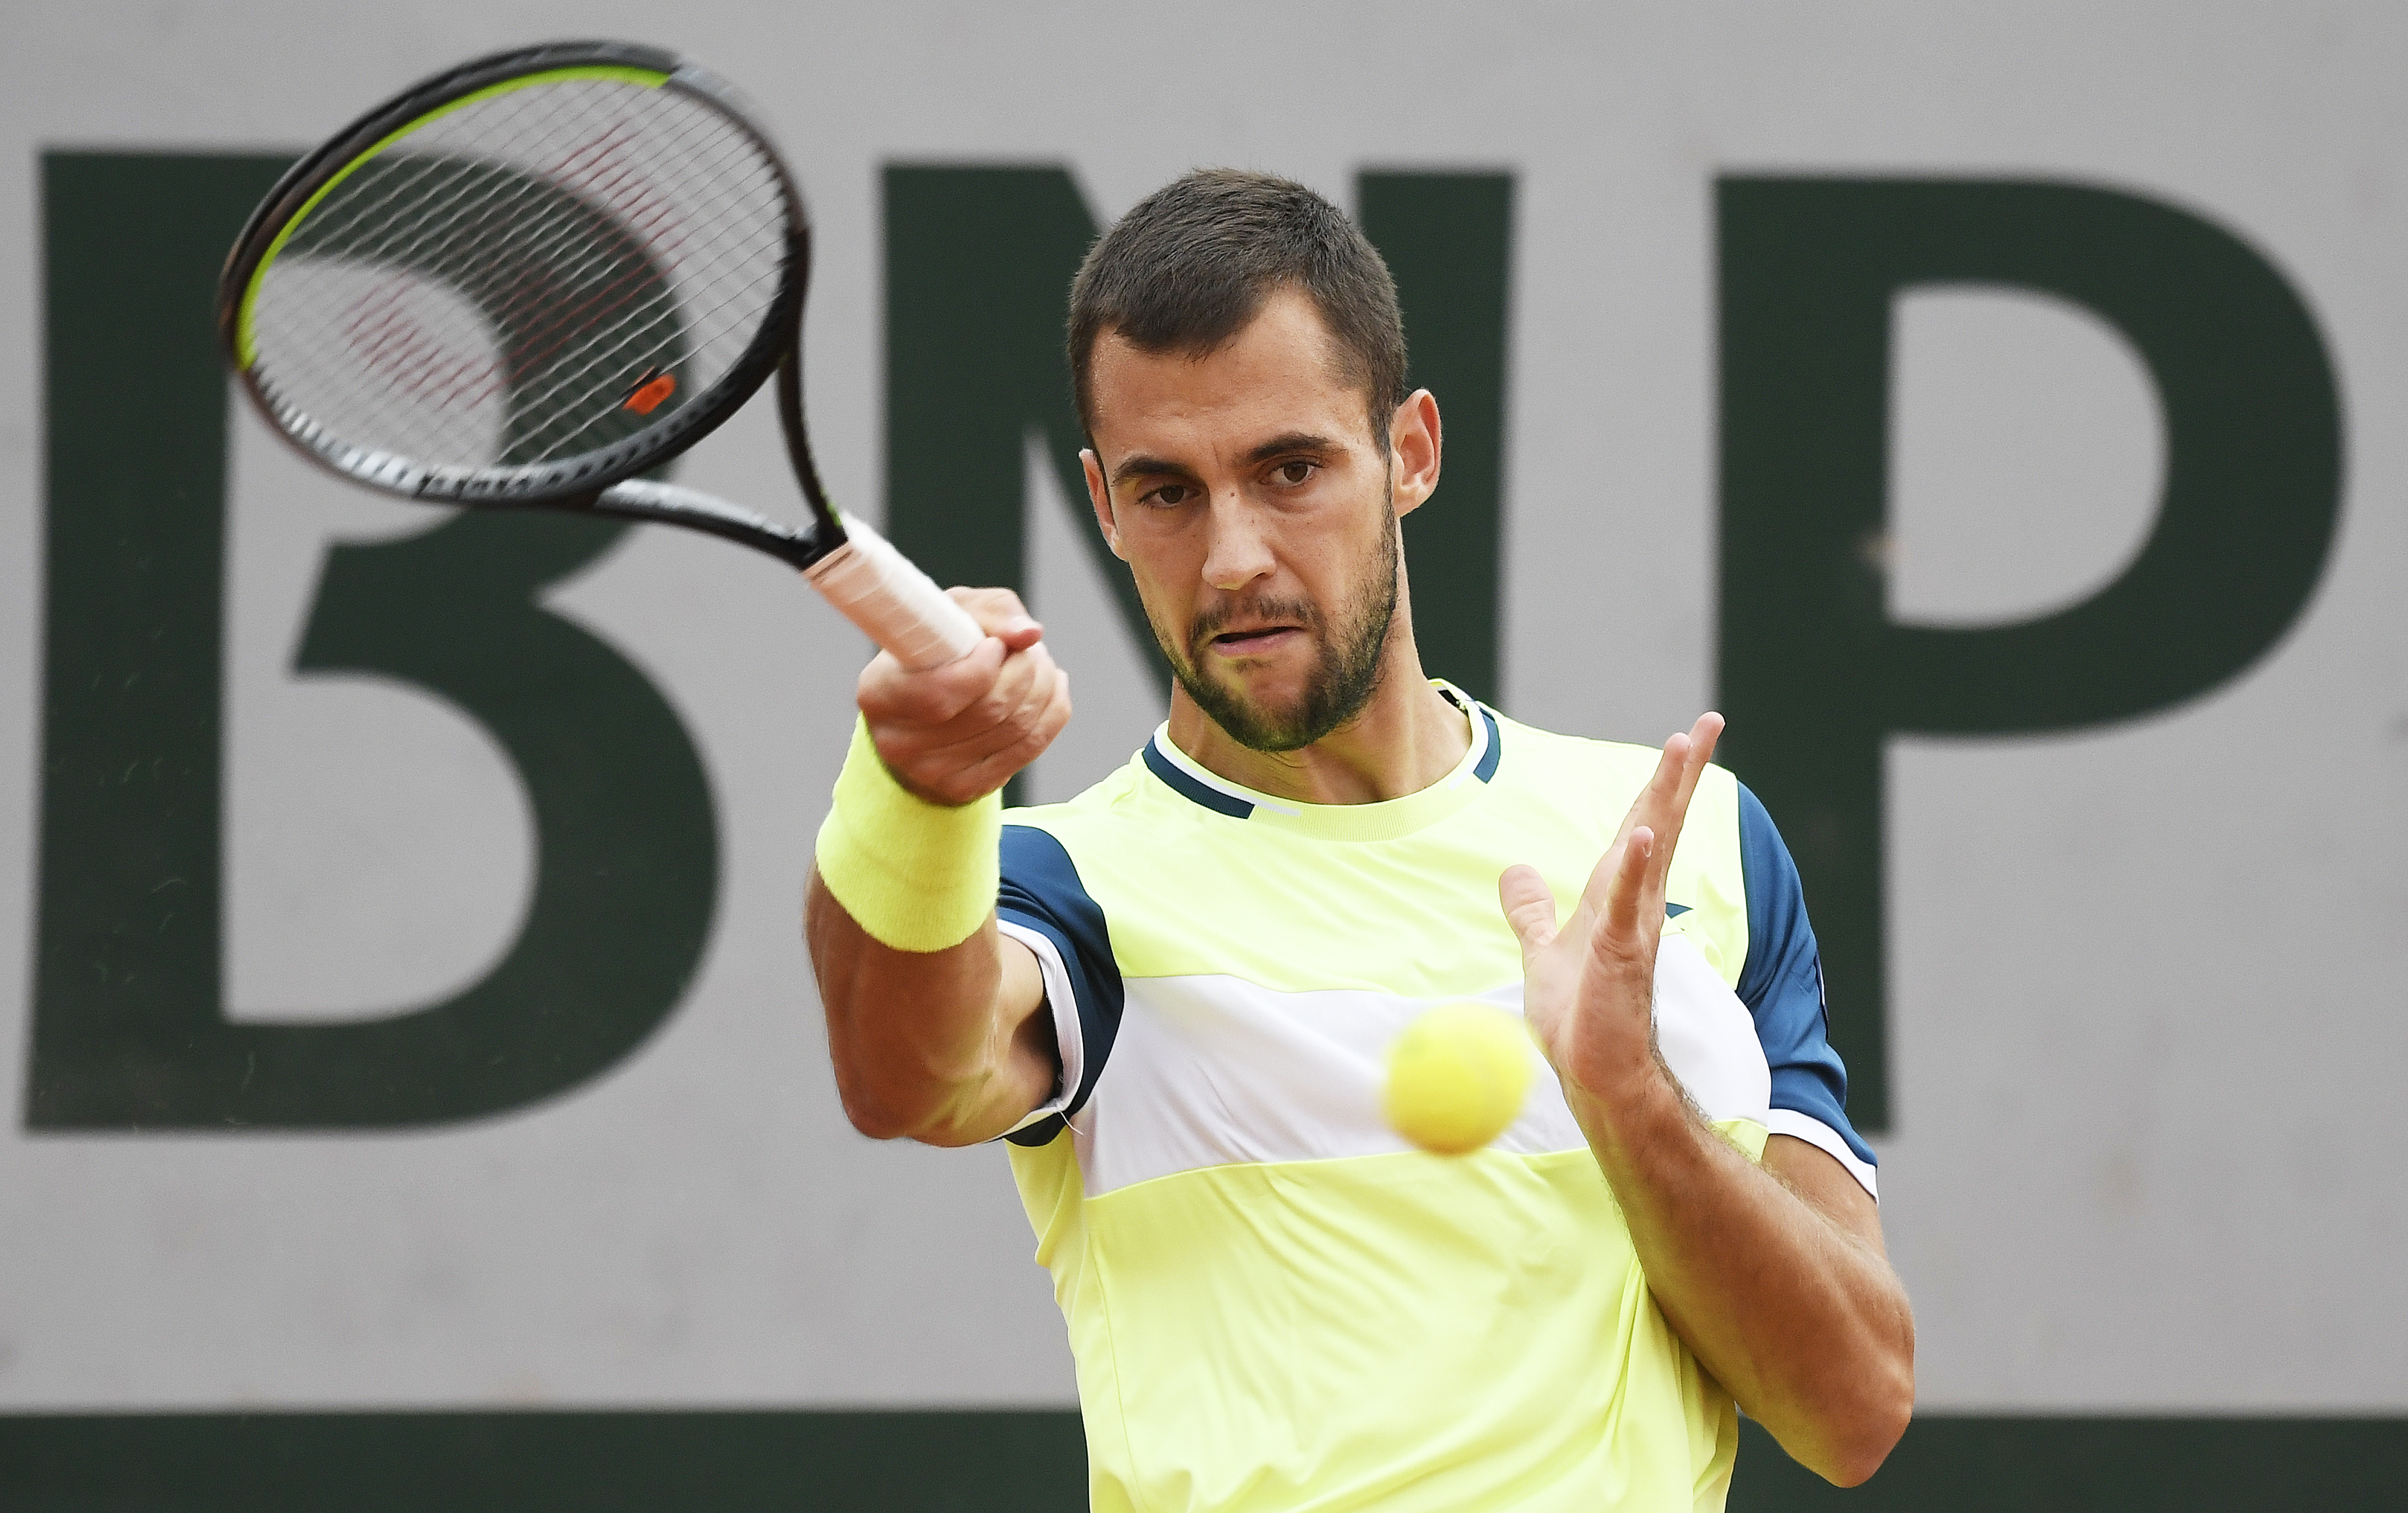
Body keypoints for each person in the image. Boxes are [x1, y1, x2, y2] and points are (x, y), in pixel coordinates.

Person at [807, 169, 1913, 1512]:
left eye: (1289, 470)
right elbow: (906, 1077)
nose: (1230, 558)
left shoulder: (1680, 845)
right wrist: (917, 789)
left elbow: (1850, 1406)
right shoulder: (1068, 889)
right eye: (1166, 493)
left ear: (1409, 451)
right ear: (1102, 505)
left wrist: (1626, 1100)